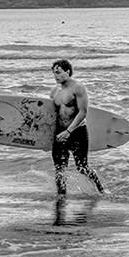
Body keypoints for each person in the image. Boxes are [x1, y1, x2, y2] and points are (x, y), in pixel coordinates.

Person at [48, 57, 105, 196]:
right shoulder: (54, 91)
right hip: (60, 132)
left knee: (82, 167)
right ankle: (61, 197)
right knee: (59, 169)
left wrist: (69, 131)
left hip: (77, 132)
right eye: (54, 73)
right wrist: (47, 138)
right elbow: (51, 115)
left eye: (59, 72)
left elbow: (83, 112)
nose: (56, 76)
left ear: (68, 71)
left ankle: (101, 191)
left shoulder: (78, 88)